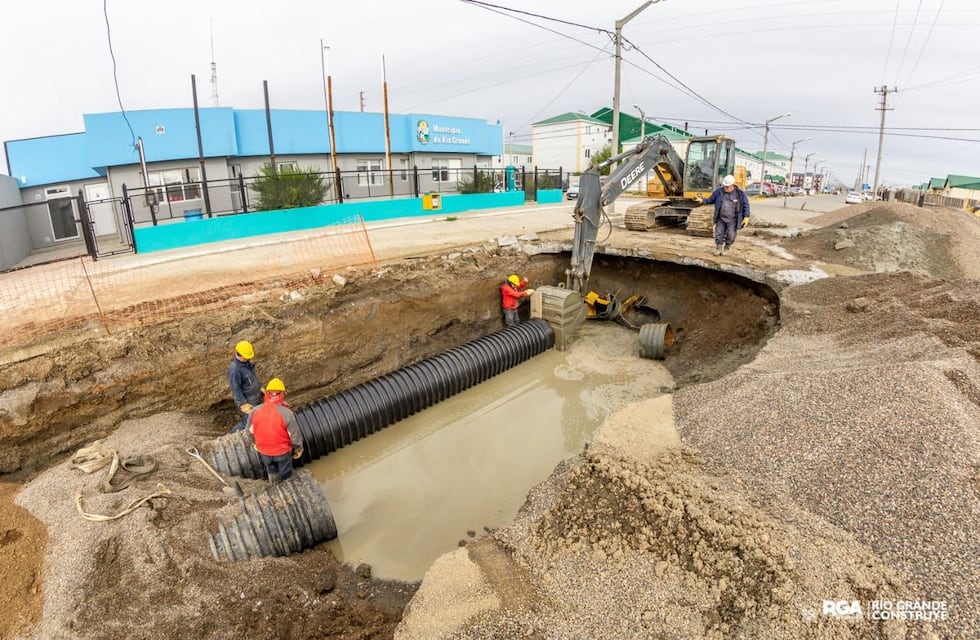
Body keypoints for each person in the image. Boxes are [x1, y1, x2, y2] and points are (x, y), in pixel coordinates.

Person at [246, 378, 303, 483]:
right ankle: (287, 486)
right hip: (282, 452)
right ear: (281, 394)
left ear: (266, 394)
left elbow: (249, 432)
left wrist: (255, 443)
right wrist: (298, 448)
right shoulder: (287, 413)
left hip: (264, 452)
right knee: (286, 473)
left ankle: (274, 483)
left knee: (272, 471)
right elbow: (294, 435)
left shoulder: (254, 411)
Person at [702, 174, 750, 256]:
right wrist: (702, 200)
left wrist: (746, 216)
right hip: (721, 218)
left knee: (731, 235)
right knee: (719, 234)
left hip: (733, 220)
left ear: (733, 185)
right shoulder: (719, 192)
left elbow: (746, 205)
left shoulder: (740, 194)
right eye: (725, 186)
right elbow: (710, 200)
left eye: (728, 186)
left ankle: (727, 247)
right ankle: (718, 248)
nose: (726, 188)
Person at [228, 340, 262, 433]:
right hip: (248, 400)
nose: (248, 358)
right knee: (248, 421)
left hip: (256, 395)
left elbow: (251, 378)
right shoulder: (235, 369)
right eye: (247, 356)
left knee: (260, 416)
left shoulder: (246, 363)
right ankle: (232, 436)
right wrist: (243, 404)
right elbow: (235, 389)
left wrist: (259, 388)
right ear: (241, 355)